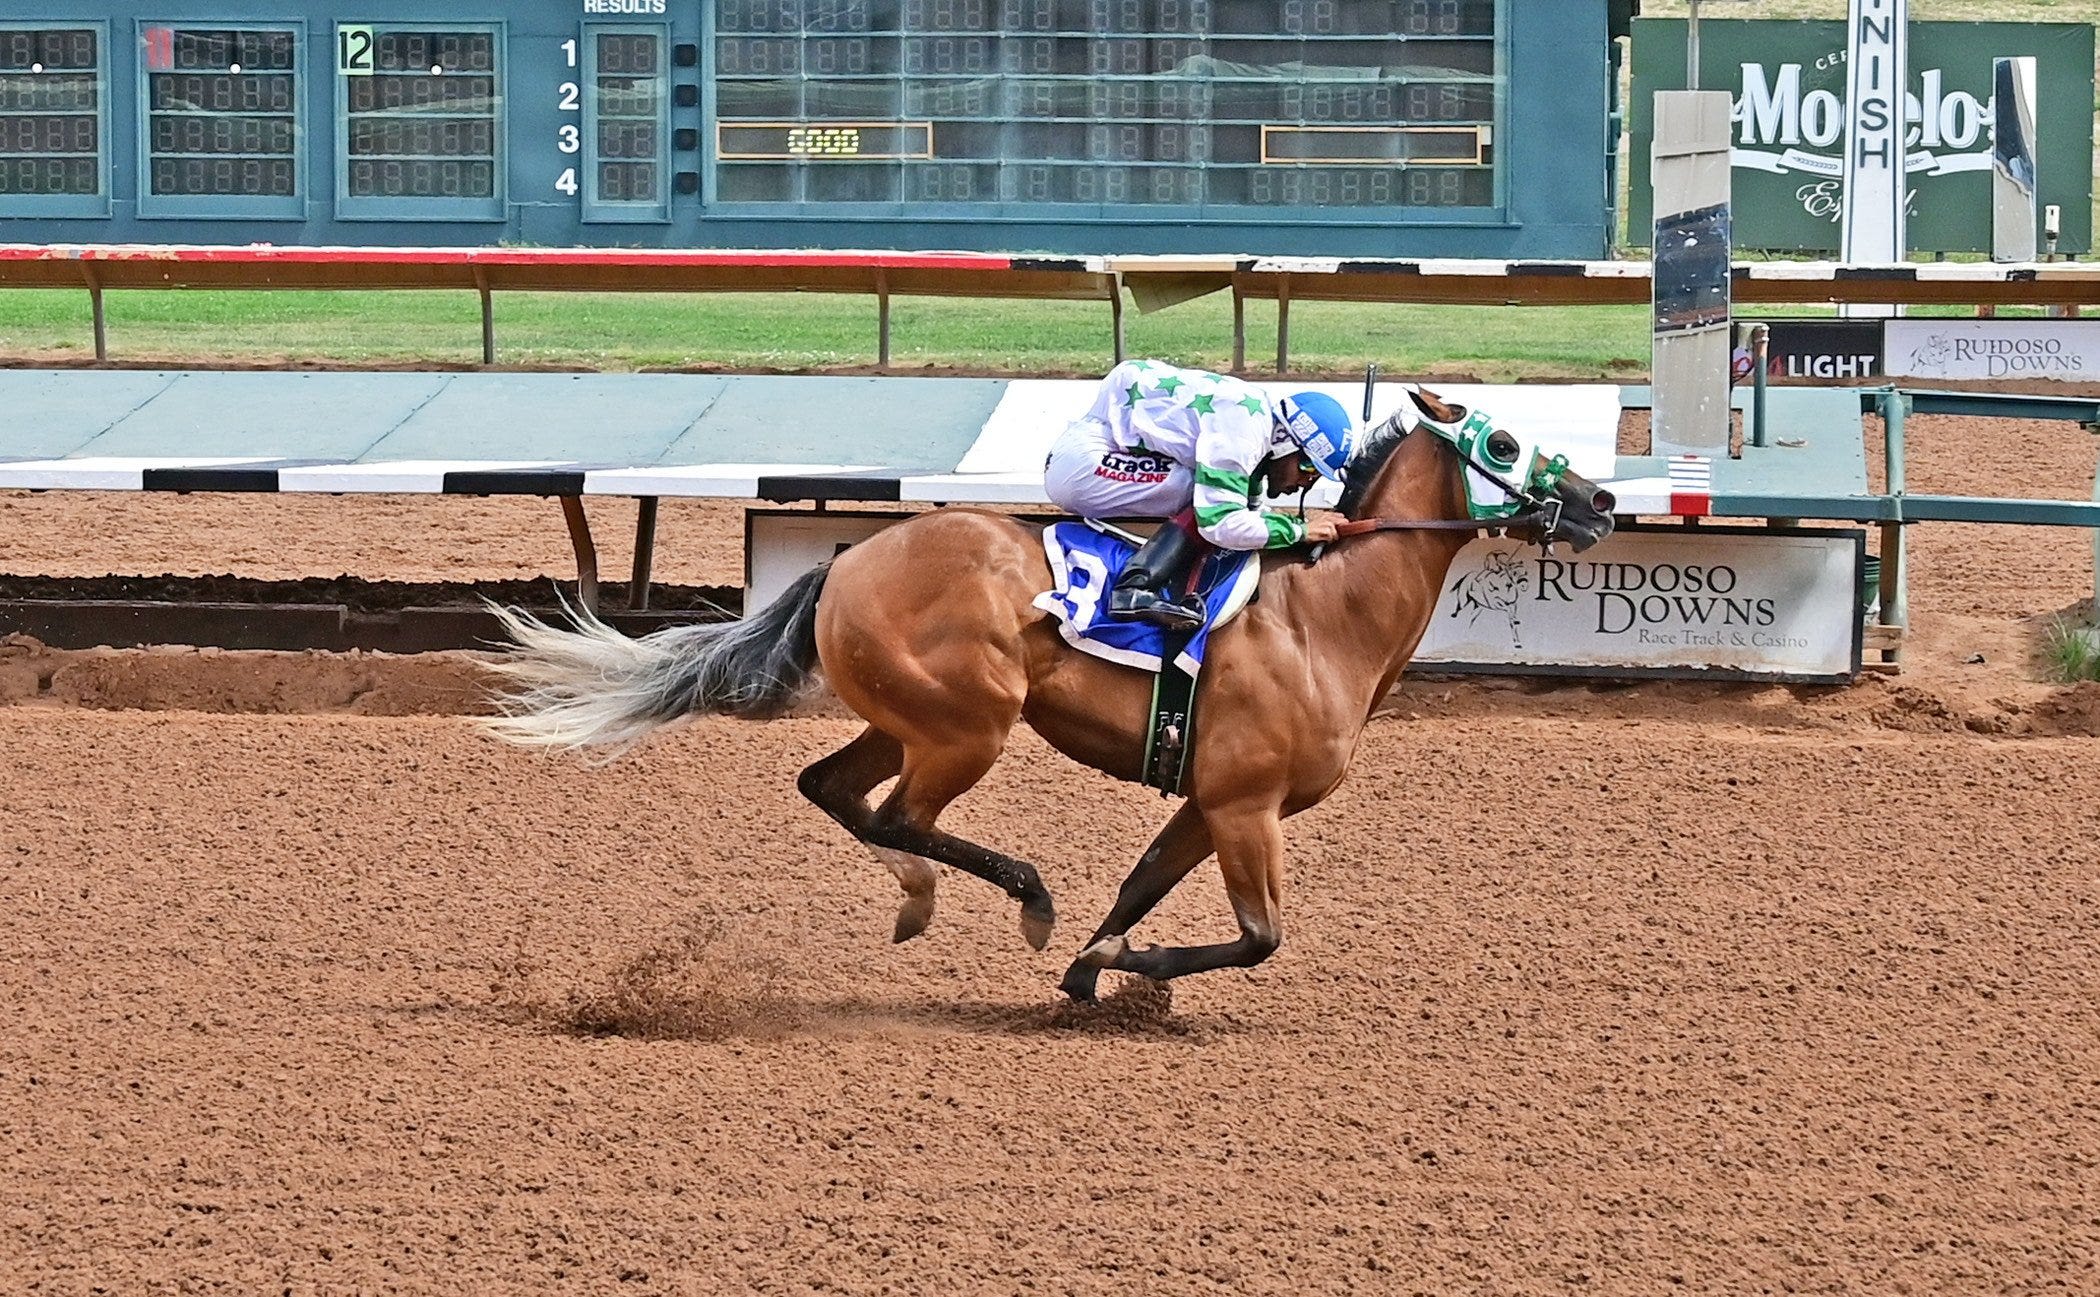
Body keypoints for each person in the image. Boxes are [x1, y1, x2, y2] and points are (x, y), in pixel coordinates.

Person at [1043, 359, 1357, 632]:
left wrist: (1283, 526)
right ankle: (1133, 588)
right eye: (1308, 470)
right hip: (1083, 464)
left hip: (1103, 445)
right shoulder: (1244, 431)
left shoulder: (1257, 422)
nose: (1306, 484)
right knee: (1202, 493)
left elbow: (1250, 505)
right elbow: (1220, 523)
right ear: (1288, 442)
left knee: (1217, 493)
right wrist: (1298, 530)